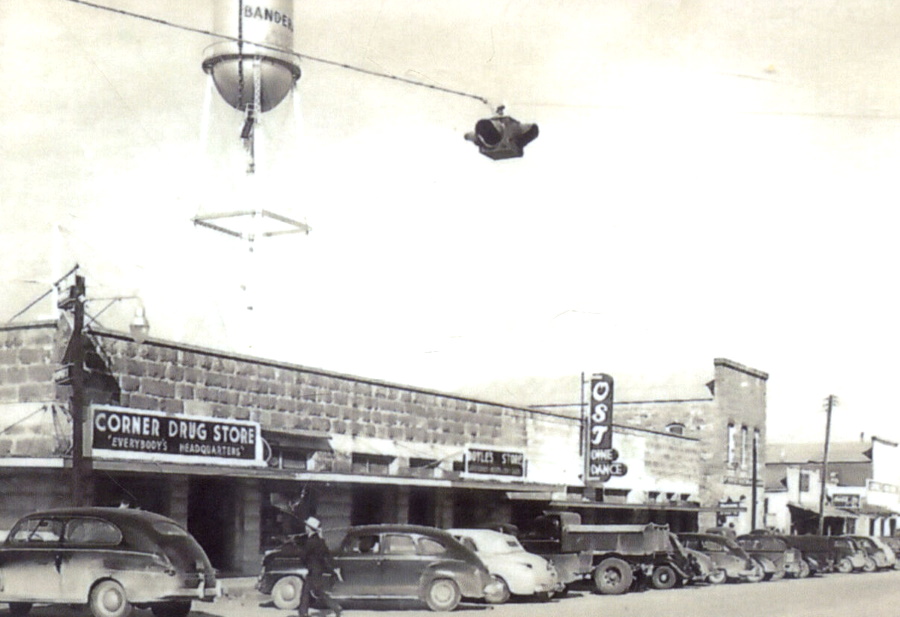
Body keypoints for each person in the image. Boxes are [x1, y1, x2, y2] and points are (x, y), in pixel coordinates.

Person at [297, 516, 342, 617]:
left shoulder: (311, 541)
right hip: (318, 570)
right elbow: (327, 554)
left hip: (313, 570)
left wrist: (304, 562)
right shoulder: (320, 541)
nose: (305, 528)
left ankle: (303, 613)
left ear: (309, 528)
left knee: (309, 591)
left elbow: (303, 556)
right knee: (315, 591)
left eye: (307, 526)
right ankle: (335, 607)